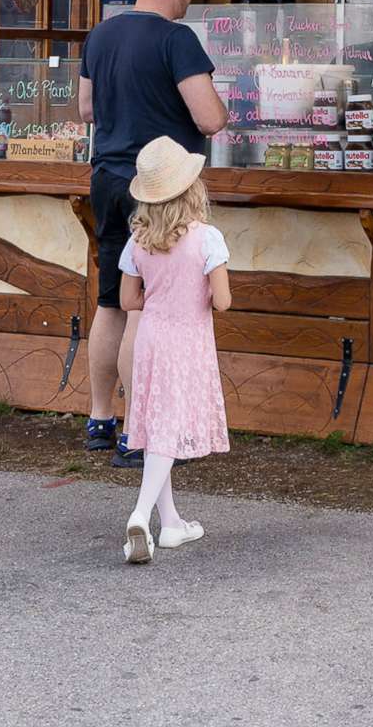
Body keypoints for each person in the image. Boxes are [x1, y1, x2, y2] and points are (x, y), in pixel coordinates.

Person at [78, 0, 228, 461]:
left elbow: (86, 109)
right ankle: (137, 432)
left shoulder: (100, 34)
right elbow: (210, 118)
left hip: (108, 177)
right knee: (145, 305)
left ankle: (100, 416)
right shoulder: (178, 39)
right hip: (158, 194)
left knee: (110, 300)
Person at [115, 136, 231, 563]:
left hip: (150, 337)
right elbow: (222, 300)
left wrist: (157, 298)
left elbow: (127, 300)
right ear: (192, 189)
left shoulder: (138, 239)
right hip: (187, 341)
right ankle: (141, 516)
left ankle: (172, 525)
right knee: (166, 428)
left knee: (153, 425)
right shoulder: (207, 238)